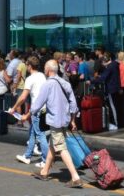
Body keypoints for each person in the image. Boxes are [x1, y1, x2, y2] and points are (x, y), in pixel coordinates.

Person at [28, 60, 83, 188]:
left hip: (55, 120)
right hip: (65, 120)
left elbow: (38, 103)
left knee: (61, 147)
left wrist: (28, 114)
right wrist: (73, 120)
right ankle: (44, 172)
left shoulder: (48, 84)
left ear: (48, 70)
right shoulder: (65, 82)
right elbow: (73, 103)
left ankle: (75, 177)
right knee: (53, 144)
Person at [11, 56, 48, 167]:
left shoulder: (30, 79)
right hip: (44, 108)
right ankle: (27, 156)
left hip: (37, 109)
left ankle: (46, 161)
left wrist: (14, 107)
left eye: (27, 65)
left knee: (41, 135)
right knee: (32, 132)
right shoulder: (42, 75)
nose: (26, 66)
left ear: (30, 66)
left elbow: (23, 97)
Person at [92, 52, 121, 131]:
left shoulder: (110, 67)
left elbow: (103, 78)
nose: (102, 65)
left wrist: (92, 81)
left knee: (113, 106)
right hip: (116, 87)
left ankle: (116, 123)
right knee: (117, 106)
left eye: (103, 63)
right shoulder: (116, 64)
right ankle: (119, 122)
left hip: (111, 88)